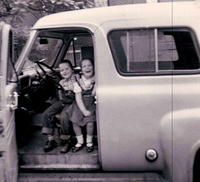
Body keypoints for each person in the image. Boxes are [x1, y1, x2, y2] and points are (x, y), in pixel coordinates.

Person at [42, 59, 75, 153]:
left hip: (73, 102)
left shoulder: (77, 78)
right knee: (46, 114)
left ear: (72, 69)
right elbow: (60, 97)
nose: (64, 72)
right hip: (62, 101)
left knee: (64, 117)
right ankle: (51, 139)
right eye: (62, 70)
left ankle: (67, 140)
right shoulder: (61, 82)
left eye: (67, 69)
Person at [66, 58, 96, 153]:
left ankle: (89, 142)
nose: (87, 68)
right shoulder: (78, 81)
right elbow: (78, 98)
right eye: (84, 66)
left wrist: (95, 83)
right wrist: (83, 111)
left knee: (90, 122)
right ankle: (80, 141)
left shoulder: (97, 79)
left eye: (89, 65)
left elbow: (95, 93)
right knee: (75, 122)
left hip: (91, 104)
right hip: (80, 105)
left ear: (94, 67)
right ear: (81, 70)